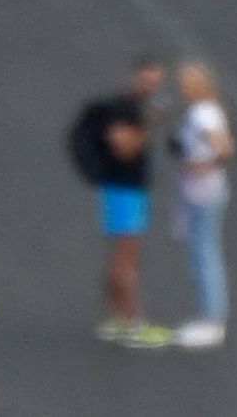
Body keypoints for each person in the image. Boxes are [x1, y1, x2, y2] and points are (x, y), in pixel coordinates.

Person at [66, 65, 166, 348]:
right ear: (135, 77)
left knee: (121, 256)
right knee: (126, 258)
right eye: (148, 79)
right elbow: (124, 148)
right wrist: (148, 124)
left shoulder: (131, 107)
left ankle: (113, 318)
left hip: (124, 190)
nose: (152, 86)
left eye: (156, 81)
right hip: (125, 191)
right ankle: (134, 321)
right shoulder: (123, 110)